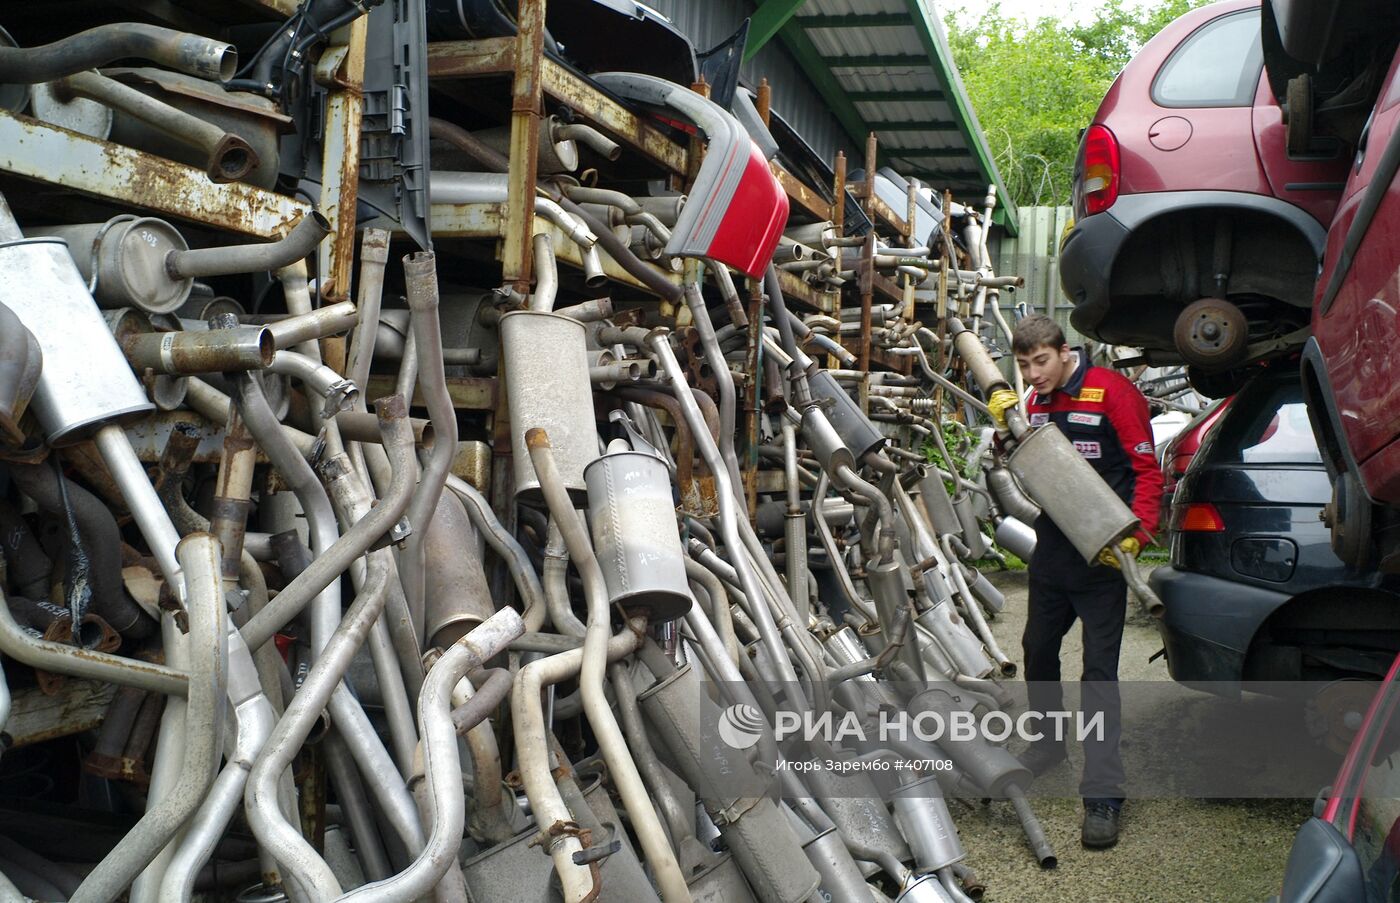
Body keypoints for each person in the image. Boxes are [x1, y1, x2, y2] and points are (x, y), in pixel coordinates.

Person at [987, 314, 1163, 850]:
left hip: (1104, 555)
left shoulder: (1112, 392)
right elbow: (1030, 467)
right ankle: (1048, 744)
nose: (1033, 374)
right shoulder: (1035, 402)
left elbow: (1147, 472)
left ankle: (1104, 794)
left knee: (1098, 675)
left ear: (1065, 352)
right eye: (1023, 365)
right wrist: (1002, 435)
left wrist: (1138, 536)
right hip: (1054, 554)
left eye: (1040, 361)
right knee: (1037, 651)